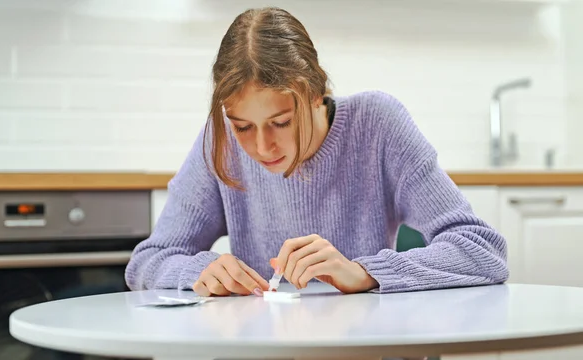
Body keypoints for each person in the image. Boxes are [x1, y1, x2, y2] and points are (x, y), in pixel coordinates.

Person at [124, 6, 508, 298]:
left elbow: (482, 250)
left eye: (281, 122)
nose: (261, 147)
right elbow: (148, 260)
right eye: (243, 126)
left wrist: (364, 272)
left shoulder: (377, 124)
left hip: (364, 348)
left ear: (314, 93)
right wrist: (198, 273)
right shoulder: (219, 140)